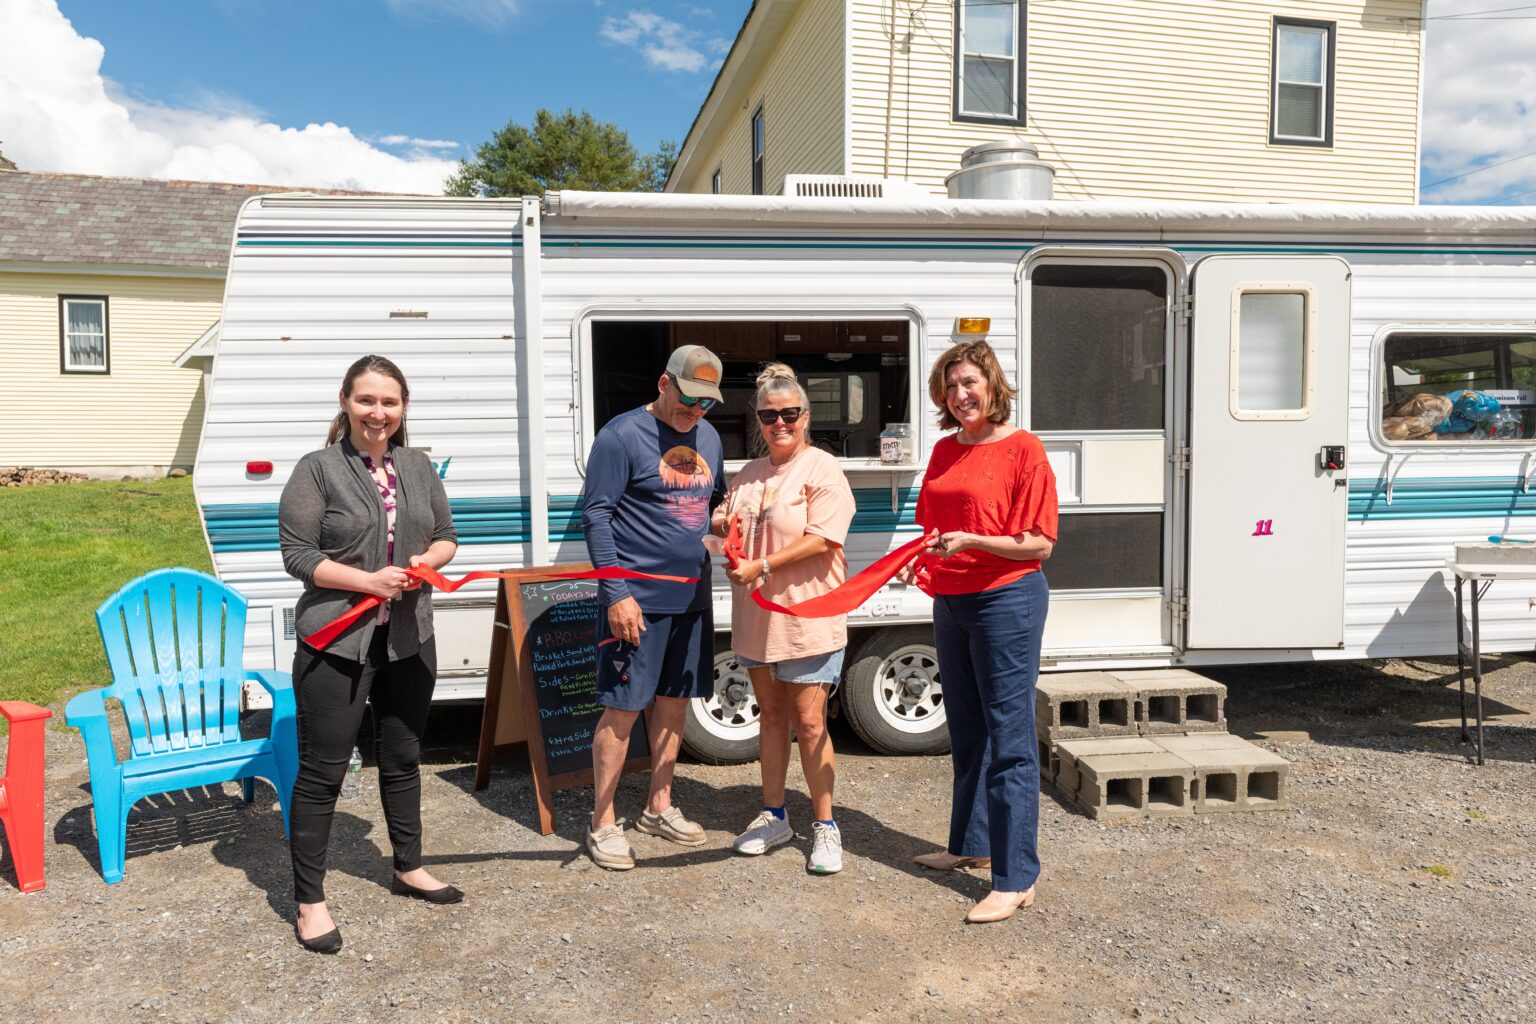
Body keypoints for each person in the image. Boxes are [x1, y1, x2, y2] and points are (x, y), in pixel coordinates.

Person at [278, 354, 460, 953]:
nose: (377, 413)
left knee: (403, 758)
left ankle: (407, 867)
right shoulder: (318, 469)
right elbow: (298, 556)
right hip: (335, 643)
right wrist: (369, 582)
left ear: (402, 408)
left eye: (389, 402)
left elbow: (446, 538)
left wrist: (422, 565)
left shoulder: (417, 464)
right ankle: (310, 901)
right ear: (345, 402)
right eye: (366, 400)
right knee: (324, 774)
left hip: (408, 638)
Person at [910, 340, 1057, 924]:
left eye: (970, 382)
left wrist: (972, 542)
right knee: (967, 729)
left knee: (1010, 741)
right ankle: (970, 844)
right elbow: (933, 520)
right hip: (952, 598)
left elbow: (1040, 542)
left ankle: (1016, 875)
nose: (960, 394)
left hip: (1007, 600)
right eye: (950, 386)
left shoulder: (1024, 449)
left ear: (993, 385)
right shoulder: (946, 450)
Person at [582, 344, 728, 869]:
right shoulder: (620, 436)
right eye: (688, 400)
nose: (696, 413)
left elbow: (714, 503)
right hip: (636, 602)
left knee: (674, 701)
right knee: (623, 707)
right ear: (664, 384)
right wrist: (616, 593)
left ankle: (658, 806)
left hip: (691, 595)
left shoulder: (708, 434)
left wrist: (723, 524)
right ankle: (602, 822)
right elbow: (596, 516)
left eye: (706, 403)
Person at [713, 363, 856, 875]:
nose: (780, 423)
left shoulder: (822, 468)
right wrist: (720, 527)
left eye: (789, 414)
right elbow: (728, 521)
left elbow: (823, 538)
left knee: (811, 722)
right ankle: (774, 815)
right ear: (757, 417)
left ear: (805, 415)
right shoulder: (749, 473)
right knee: (770, 718)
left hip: (807, 615)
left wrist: (763, 564)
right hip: (756, 619)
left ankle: (825, 825)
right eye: (770, 415)